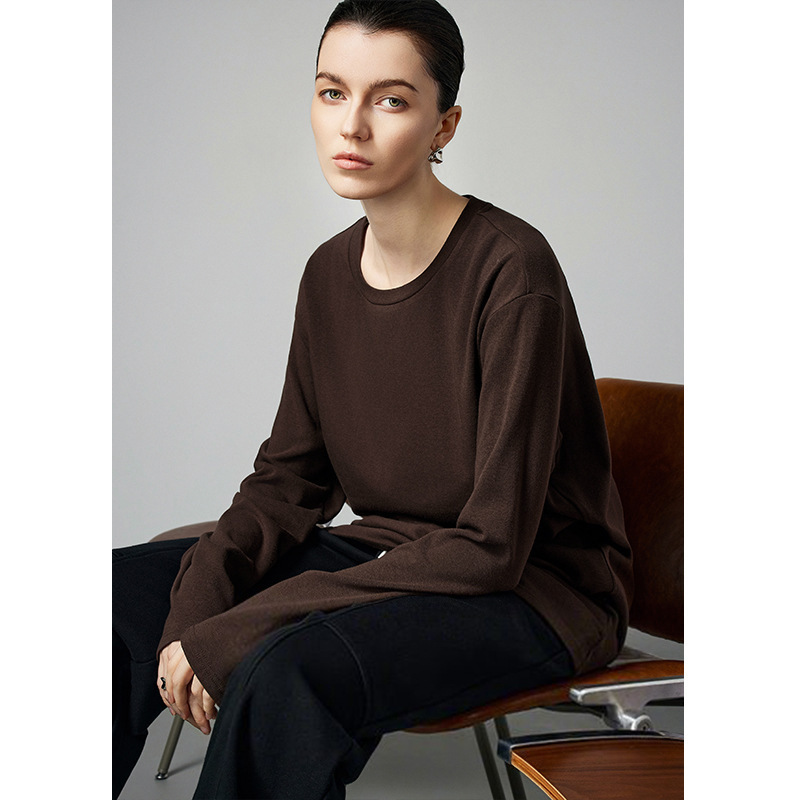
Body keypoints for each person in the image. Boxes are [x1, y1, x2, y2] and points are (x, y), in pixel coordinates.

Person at [112, 1, 633, 797]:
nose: (351, 125)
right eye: (332, 92)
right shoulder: (328, 274)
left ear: (443, 125)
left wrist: (248, 624)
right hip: (391, 555)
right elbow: (288, 482)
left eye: (390, 100)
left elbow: (493, 546)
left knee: (286, 669)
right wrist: (195, 612)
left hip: (537, 589)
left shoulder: (512, 272)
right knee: (114, 600)